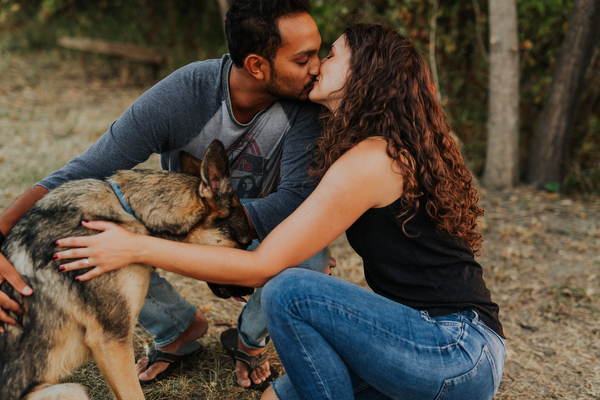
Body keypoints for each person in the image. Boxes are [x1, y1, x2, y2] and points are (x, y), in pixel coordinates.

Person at [54, 23, 506, 400]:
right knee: (276, 397)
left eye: (331, 55)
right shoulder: (366, 148)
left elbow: (263, 268)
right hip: (417, 344)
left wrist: (134, 246)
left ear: (366, 75)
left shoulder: (372, 159)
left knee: (290, 290)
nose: (318, 65)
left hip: (454, 349)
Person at [0, 0, 334, 390]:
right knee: (90, 227)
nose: (317, 67)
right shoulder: (187, 92)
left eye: (319, 53)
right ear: (258, 65)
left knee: (312, 250)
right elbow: (82, 171)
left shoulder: (309, 107)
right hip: (183, 224)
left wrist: (230, 233)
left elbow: (296, 202)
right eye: (303, 58)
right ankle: (176, 327)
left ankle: (251, 339)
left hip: (254, 231)